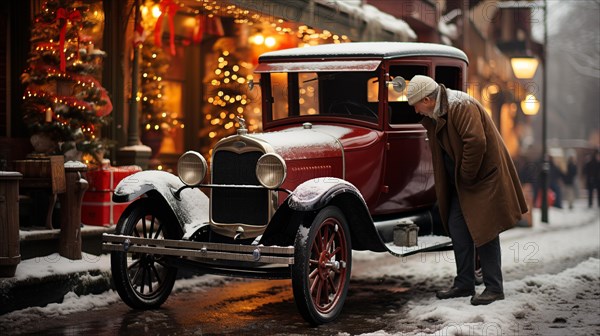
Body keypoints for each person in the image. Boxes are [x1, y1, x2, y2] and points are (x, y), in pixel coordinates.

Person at [406, 75, 528, 305]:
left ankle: (494, 288)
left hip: (481, 180)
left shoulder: (461, 105)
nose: (416, 110)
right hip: (464, 183)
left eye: (416, 104)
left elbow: (476, 143)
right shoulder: (439, 111)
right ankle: (464, 283)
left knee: (485, 231)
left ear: (428, 99)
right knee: (457, 228)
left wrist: (466, 175)